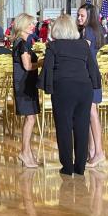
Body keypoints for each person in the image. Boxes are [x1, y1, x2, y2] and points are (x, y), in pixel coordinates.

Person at [41, 15, 100, 176]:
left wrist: (46, 87)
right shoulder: (83, 45)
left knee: (64, 127)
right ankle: (80, 166)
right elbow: (92, 67)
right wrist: (95, 85)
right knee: (82, 126)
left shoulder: (53, 46)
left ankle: (67, 166)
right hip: (84, 89)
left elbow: (48, 68)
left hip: (63, 89)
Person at [76, 3, 106, 168]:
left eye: (82, 16)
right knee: (89, 113)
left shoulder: (87, 31)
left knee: (91, 112)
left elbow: (82, 50)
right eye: (78, 15)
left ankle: (99, 152)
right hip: (91, 72)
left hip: (89, 73)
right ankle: (93, 149)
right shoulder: (93, 30)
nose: (79, 18)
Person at [10, 13, 39, 168]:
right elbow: (27, 66)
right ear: (22, 25)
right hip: (24, 84)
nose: (33, 26)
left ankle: (27, 152)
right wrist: (41, 63)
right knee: (30, 119)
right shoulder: (22, 44)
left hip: (26, 84)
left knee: (30, 118)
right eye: (30, 24)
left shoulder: (22, 42)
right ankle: (24, 152)